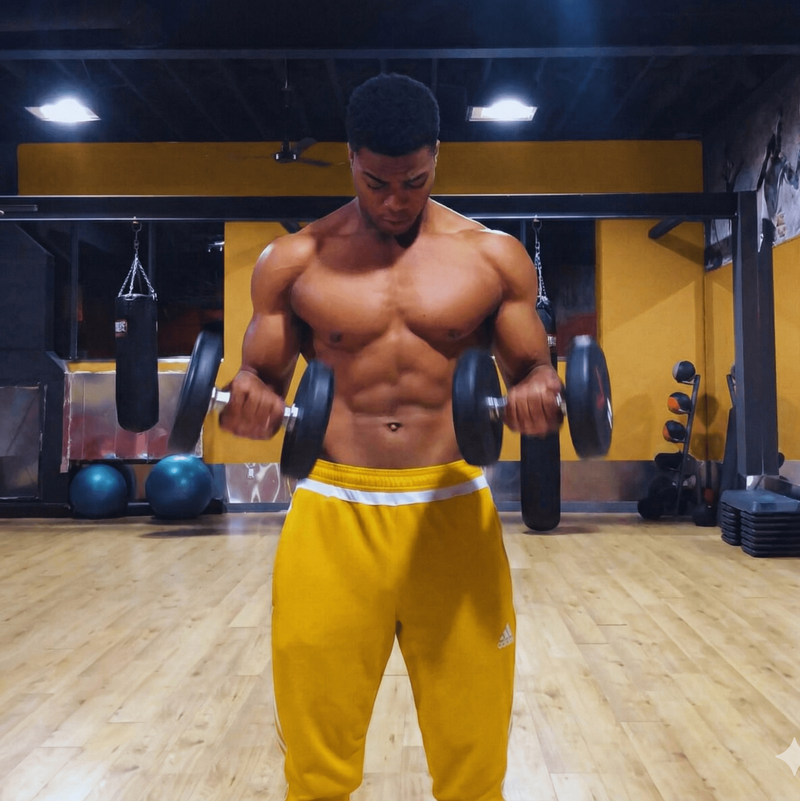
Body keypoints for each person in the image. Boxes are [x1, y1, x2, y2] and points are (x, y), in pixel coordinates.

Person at [219, 73, 562, 801]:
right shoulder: (295, 262)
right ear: (350, 158)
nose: (395, 200)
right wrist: (250, 399)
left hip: (452, 508)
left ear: (436, 157)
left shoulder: (491, 257)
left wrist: (538, 393)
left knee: (474, 766)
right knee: (317, 769)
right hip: (334, 511)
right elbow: (260, 379)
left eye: (414, 180)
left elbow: (536, 369)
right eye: (377, 181)